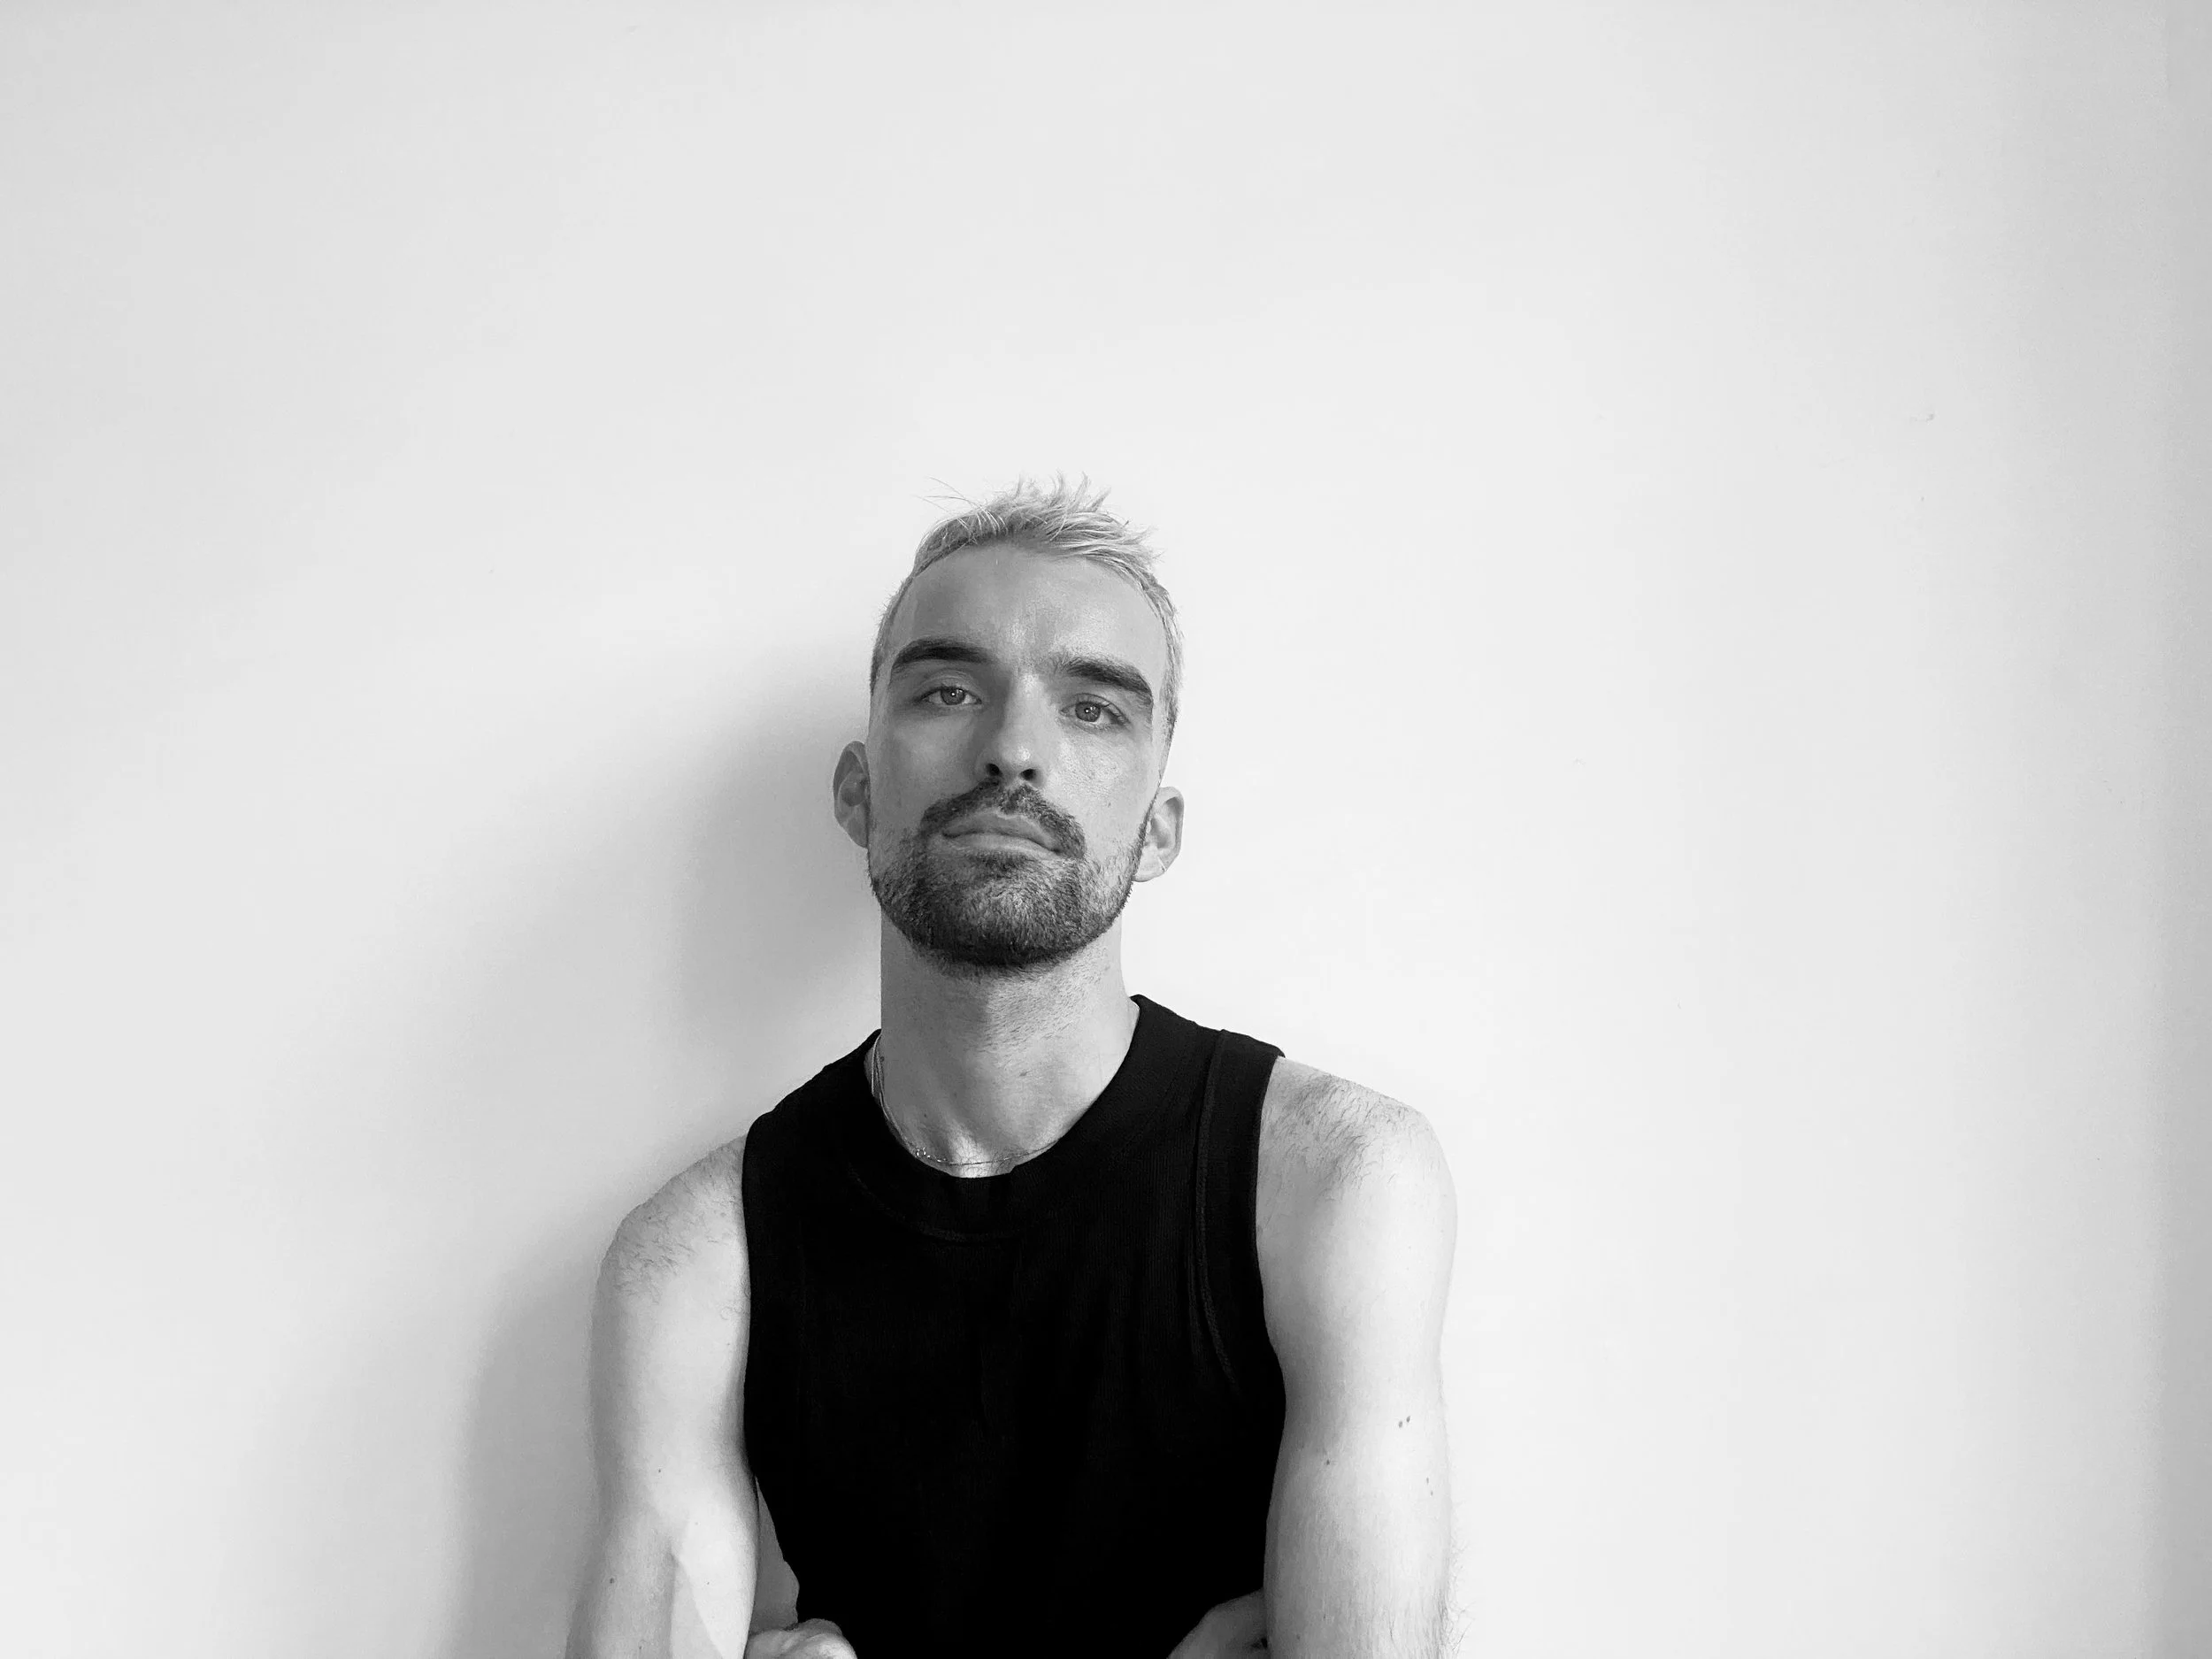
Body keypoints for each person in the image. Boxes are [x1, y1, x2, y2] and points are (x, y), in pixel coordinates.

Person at [566, 480, 1456, 1659]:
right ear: (855, 787)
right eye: (947, 690)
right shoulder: (695, 1260)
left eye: (1092, 709)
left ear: (1160, 828)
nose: (1014, 751)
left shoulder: (1332, 1183)